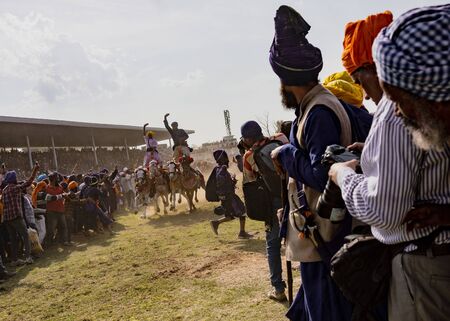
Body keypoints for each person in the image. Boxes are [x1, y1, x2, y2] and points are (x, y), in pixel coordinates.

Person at [329, 6, 450, 321]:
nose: (394, 112)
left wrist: (344, 176)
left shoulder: (392, 117)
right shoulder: (417, 110)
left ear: (437, 94)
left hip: (427, 273)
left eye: (401, 101)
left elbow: (385, 212)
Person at [268, 6, 353, 321]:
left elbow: (322, 173)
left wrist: (286, 154)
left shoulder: (318, 113)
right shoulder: (312, 108)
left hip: (324, 241)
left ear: (286, 79)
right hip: (317, 240)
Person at [240, 120, 288, 302]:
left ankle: (278, 288)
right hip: (296, 193)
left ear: (247, 139)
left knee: (273, 245)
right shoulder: (281, 139)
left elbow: (250, 178)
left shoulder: (248, 156)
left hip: (274, 201)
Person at [208, 150, 252, 239]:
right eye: (226, 158)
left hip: (226, 196)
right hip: (229, 196)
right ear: (222, 159)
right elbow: (221, 182)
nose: (227, 160)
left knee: (231, 215)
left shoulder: (218, 169)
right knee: (242, 211)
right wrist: (231, 182)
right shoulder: (222, 168)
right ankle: (242, 233)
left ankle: (216, 223)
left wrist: (231, 181)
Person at [1, 164, 39, 265]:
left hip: (6, 218)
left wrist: (4, 170)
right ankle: (27, 257)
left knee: (13, 239)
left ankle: (14, 259)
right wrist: (35, 170)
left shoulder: (4, 190)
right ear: (14, 179)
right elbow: (29, 182)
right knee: (25, 236)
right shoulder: (15, 188)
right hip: (16, 217)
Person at [45, 172, 69, 246]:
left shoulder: (59, 187)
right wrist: (62, 195)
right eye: (56, 178)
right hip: (52, 211)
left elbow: (64, 194)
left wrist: (67, 194)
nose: (58, 180)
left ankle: (64, 241)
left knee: (63, 227)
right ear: (53, 179)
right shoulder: (47, 188)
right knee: (51, 229)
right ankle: (49, 243)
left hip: (60, 210)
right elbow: (51, 198)